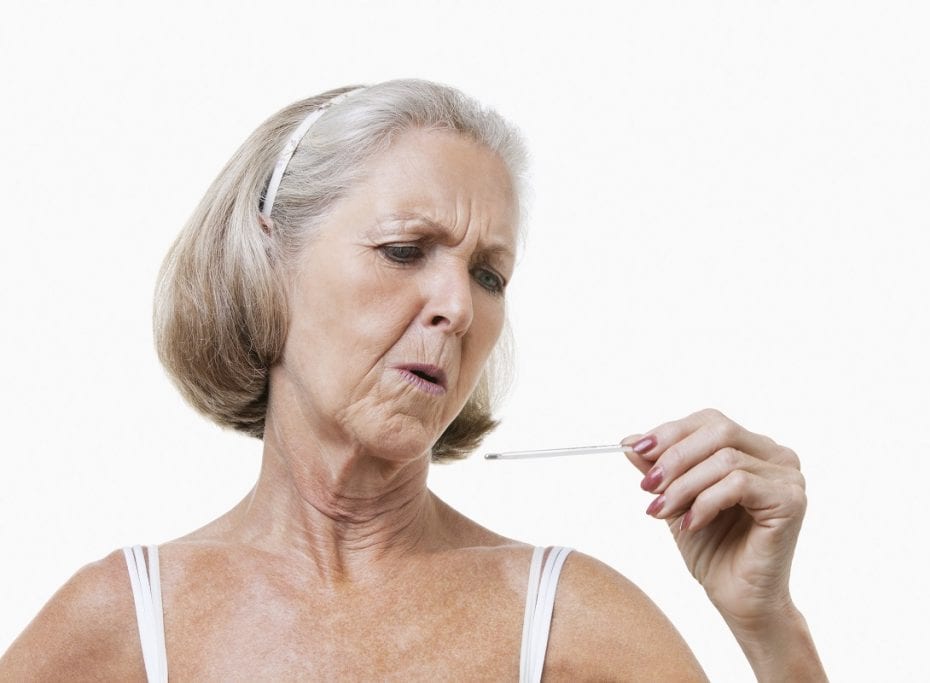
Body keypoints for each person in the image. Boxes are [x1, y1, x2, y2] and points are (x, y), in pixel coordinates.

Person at [0, 79, 825, 681]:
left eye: (490, 275)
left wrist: (769, 626)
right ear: (266, 262)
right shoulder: (121, 620)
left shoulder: (571, 619)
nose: (457, 306)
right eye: (405, 251)